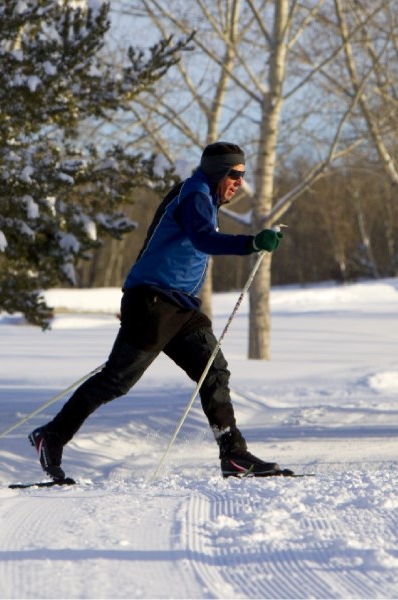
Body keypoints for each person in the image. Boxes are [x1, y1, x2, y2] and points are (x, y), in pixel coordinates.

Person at [29, 142, 284, 480]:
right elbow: (203, 239)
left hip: (179, 307)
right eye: (233, 174)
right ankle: (52, 436)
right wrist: (251, 243)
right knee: (116, 381)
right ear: (216, 171)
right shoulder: (195, 194)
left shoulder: (205, 197)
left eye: (242, 175)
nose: (239, 181)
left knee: (214, 371)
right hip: (152, 302)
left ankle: (234, 454)